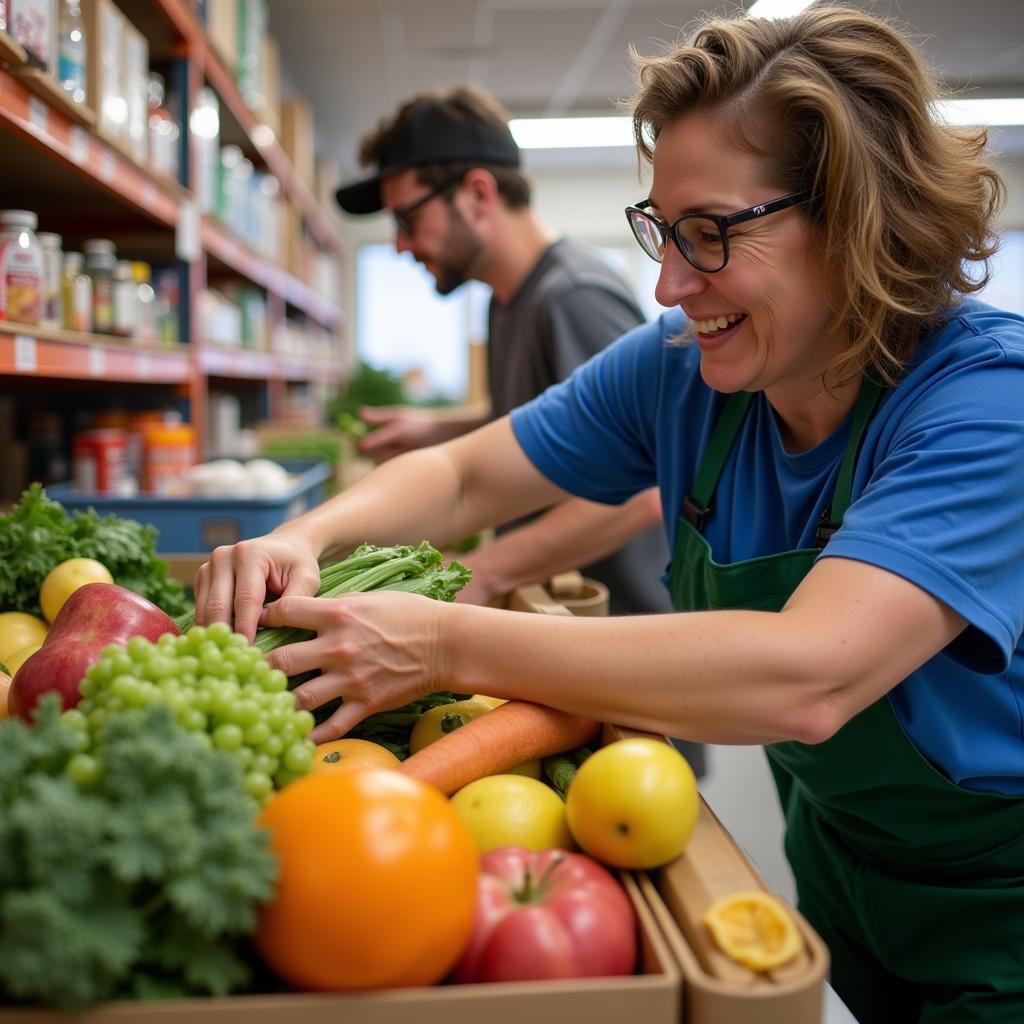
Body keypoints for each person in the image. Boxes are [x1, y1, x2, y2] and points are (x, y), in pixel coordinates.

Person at [196, 6, 1024, 1021]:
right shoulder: (688, 371)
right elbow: (465, 478)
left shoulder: (985, 406)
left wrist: (449, 640)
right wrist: (305, 533)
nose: (671, 287)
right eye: (662, 233)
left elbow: (809, 674)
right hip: (840, 855)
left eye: (710, 235)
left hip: (1000, 897)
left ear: (856, 214)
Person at [333, 84, 673, 621]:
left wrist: (484, 571)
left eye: (406, 219)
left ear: (477, 193)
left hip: (615, 625)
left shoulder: (573, 297)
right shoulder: (508, 300)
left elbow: (645, 488)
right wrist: (437, 428)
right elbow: (551, 421)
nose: (400, 244)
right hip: (552, 613)